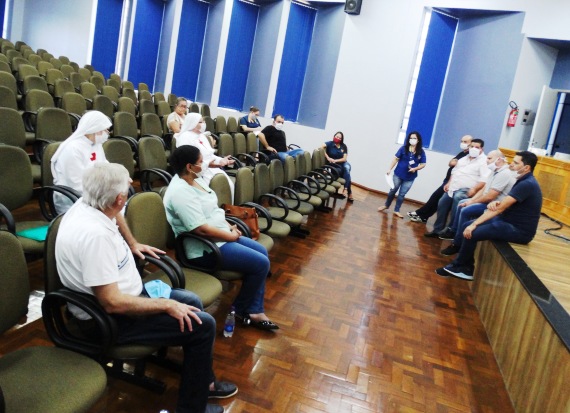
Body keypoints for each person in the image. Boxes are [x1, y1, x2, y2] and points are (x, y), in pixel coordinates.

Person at [56, 162, 236, 413]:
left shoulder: (89, 202)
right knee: (203, 326)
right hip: (109, 319)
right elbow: (111, 302)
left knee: (191, 302)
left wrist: (132, 243)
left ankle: (204, 382)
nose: (132, 181)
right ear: (120, 199)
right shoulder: (94, 237)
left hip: (127, 297)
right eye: (127, 183)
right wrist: (166, 304)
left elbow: (117, 213)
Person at [163, 146, 279, 331]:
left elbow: (212, 211)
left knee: (262, 252)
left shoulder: (195, 179)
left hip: (219, 236)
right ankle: (243, 310)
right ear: (189, 166)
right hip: (203, 248)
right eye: (200, 162)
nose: (204, 164)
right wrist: (230, 235)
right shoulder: (180, 192)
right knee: (260, 264)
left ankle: (251, 307)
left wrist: (228, 226)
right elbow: (200, 229)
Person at [435, 151, 542, 281]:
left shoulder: (527, 184)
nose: (511, 164)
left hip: (518, 230)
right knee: (465, 226)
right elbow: (507, 203)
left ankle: (462, 267)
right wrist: (498, 202)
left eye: (516, 163)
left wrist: (475, 224)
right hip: (506, 220)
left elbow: (500, 209)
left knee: (472, 231)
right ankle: (464, 265)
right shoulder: (523, 180)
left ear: (526, 168)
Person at [439, 150, 515, 254]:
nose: (487, 161)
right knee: (463, 203)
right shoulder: (495, 171)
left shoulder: (504, 173)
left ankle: (457, 243)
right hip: (488, 202)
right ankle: (455, 232)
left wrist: (471, 203)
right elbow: (484, 189)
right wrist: (471, 200)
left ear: (499, 159)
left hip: (494, 206)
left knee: (466, 210)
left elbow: (490, 197)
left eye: (489, 158)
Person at [424, 138, 489, 237]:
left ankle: (451, 230)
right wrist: (449, 183)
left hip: (467, 189)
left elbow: (484, 180)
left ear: (482, 149)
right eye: (472, 146)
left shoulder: (484, 161)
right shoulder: (464, 158)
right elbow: (454, 171)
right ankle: (437, 230)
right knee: (442, 202)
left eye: (477, 147)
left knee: (458, 198)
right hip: (453, 187)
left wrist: (474, 189)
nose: (474, 149)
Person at [51, 110, 112, 214]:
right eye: (106, 130)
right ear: (96, 130)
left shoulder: (97, 145)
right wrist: (103, 195)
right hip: (73, 200)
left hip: (94, 194)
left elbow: (106, 167)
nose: (108, 134)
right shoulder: (72, 149)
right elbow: (76, 184)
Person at [408, 135, 472, 223]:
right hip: (448, 180)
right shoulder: (462, 153)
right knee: (435, 198)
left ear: (471, 143)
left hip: (453, 183)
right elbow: (451, 163)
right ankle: (421, 214)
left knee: (436, 198)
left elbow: (456, 164)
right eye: (462, 141)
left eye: (465, 142)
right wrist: (453, 162)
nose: (462, 143)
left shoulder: (469, 156)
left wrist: (454, 162)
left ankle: (422, 215)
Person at [176, 112, 235, 200]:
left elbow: (210, 155)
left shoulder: (201, 136)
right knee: (213, 194)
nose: (204, 124)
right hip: (198, 172)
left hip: (211, 168)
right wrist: (208, 164)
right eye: (200, 122)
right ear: (193, 123)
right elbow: (187, 161)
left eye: (203, 122)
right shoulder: (185, 137)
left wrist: (221, 160)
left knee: (229, 185)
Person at [378, 131, 426, 218]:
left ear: (418, 140)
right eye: (411, 138)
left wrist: (415, 169)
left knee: (402, 194)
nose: (412, 140)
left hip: (410, 178)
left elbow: (423, 164)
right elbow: (395, 159)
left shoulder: (421, 152)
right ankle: (386, 205)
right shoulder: (403, 149)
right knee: (393, 189)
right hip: (398, 174)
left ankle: (397, 210)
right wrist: (389, 169)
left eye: (414, 138)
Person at [322, 131, 353, 202]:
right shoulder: (330, 144)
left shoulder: (344, 146)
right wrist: (327, 157)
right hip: (334, 166)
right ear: (334, 136)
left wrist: (335, 160)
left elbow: (344, 159)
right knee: (346, 174)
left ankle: (345, 189)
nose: (337, 138)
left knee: (347, 168)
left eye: (339, 138)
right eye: (336, 136)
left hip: (343, 163)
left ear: (341, 139)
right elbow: (321, 147)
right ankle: (349, 192)